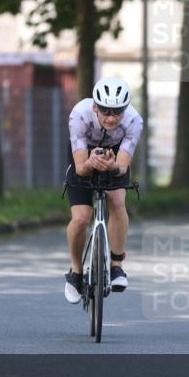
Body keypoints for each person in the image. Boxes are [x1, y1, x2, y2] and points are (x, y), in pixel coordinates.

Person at [63, 77, 144, 304]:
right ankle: (76, 272)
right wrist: (89, 164)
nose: (110, 118)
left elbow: (122, 166)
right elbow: (80, 168)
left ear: (125, 109)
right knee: (80, 219)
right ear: (94, 107)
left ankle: (116, 265)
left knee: (117, 201)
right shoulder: (79, 115)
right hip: (83, 155)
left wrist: (113, 166)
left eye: (117, 112)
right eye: (105, 111)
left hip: (115, 155)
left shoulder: (134, 121)